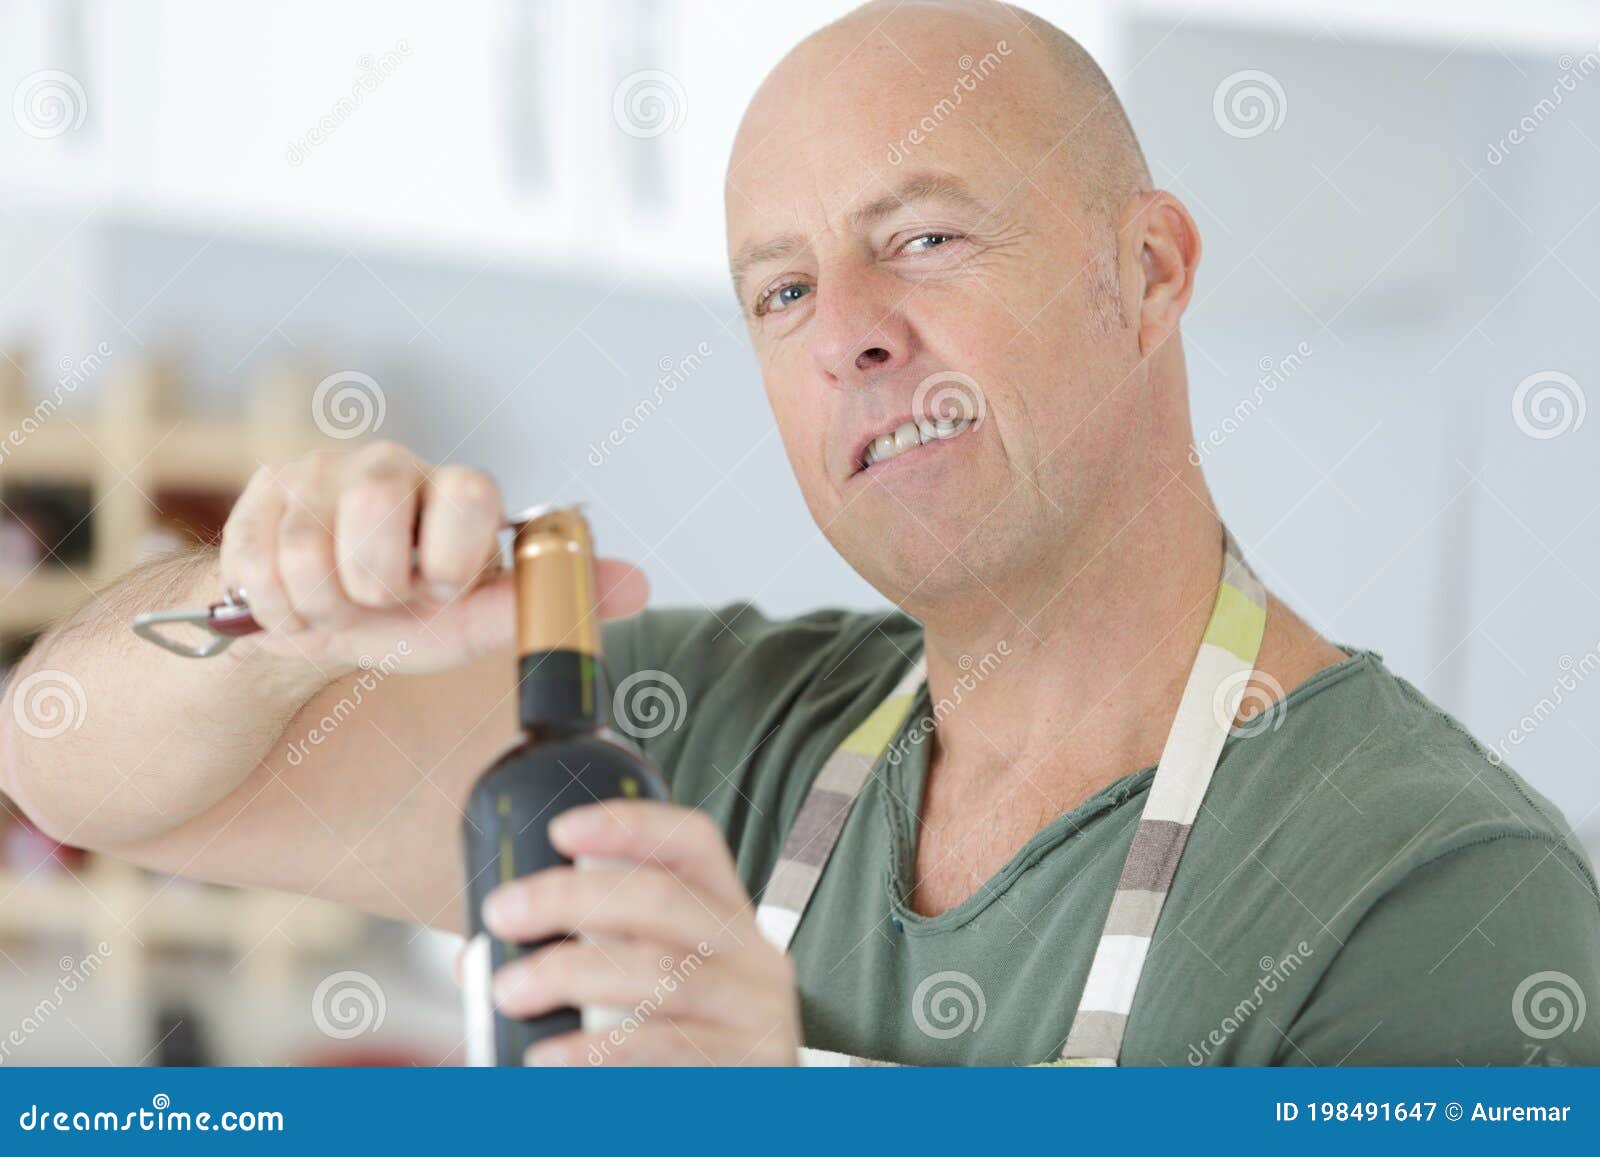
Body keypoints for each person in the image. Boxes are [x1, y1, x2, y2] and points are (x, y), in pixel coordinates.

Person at [4, 0, 1597, 1066]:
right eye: (782, 290)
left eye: (922, 236)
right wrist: (260, 611)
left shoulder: (1434, 897)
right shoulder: (706, 745)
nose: (848, 333)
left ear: (1152, 269)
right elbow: (62, 755)